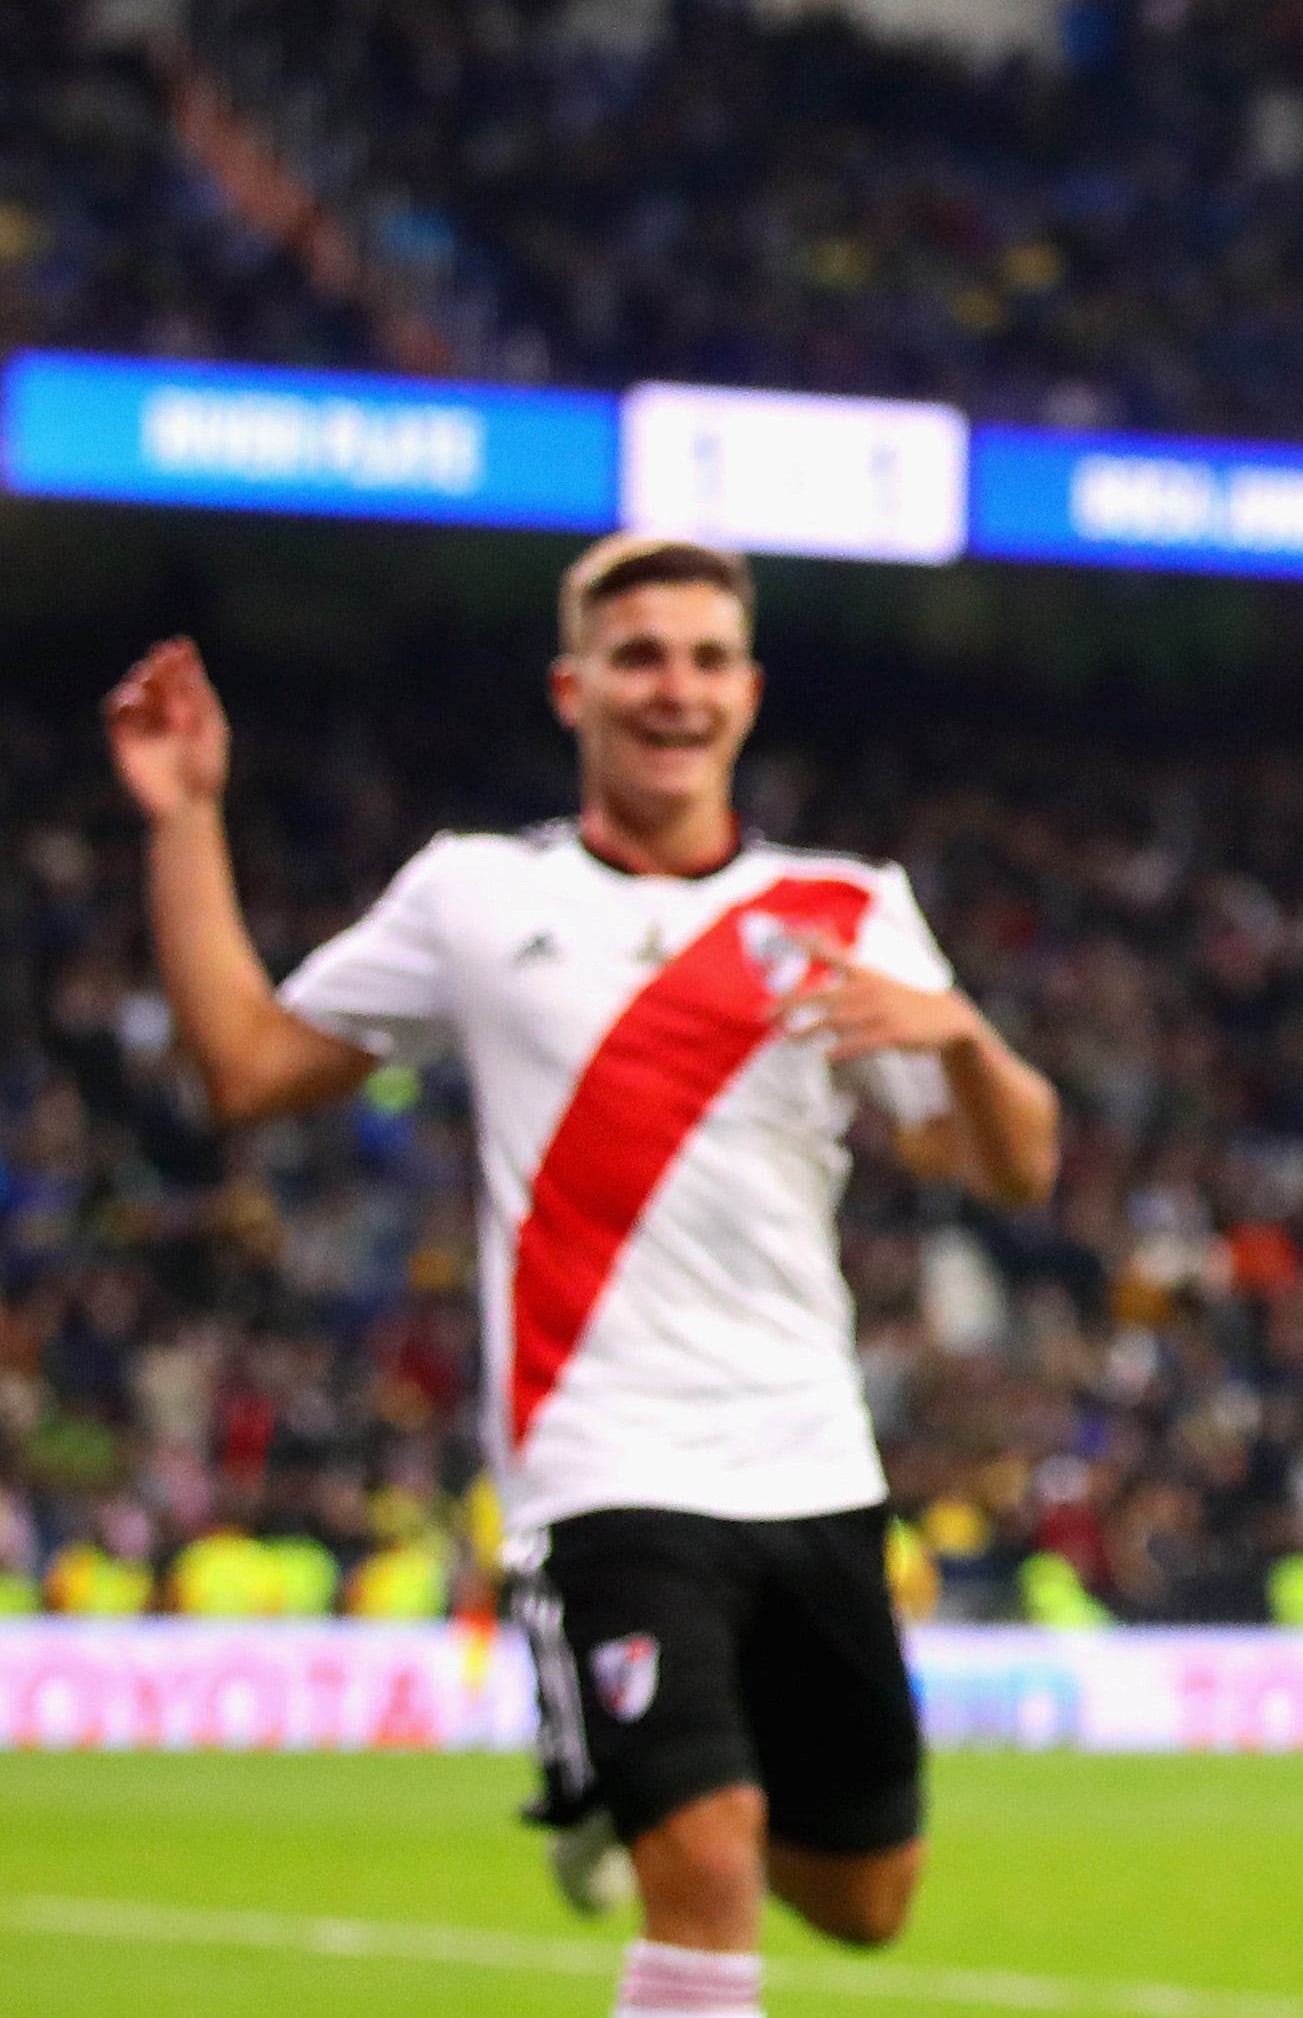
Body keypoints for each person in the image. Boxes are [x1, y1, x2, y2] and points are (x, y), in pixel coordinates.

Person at [103, 539, 1061, 2018]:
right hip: (602, 1463)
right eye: (639, 657)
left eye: (705, 658)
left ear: (748, 693)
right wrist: (183, 818)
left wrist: (964, 1038)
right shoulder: (476, 897)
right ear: (574, 690)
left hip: (811, 1460)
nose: (675, 687)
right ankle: (644, 1784)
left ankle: (615, 1782)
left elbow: (1015, 1168)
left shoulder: (846, 907)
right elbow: (242, 1067)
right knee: (712, 1868)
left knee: (866, 1901)